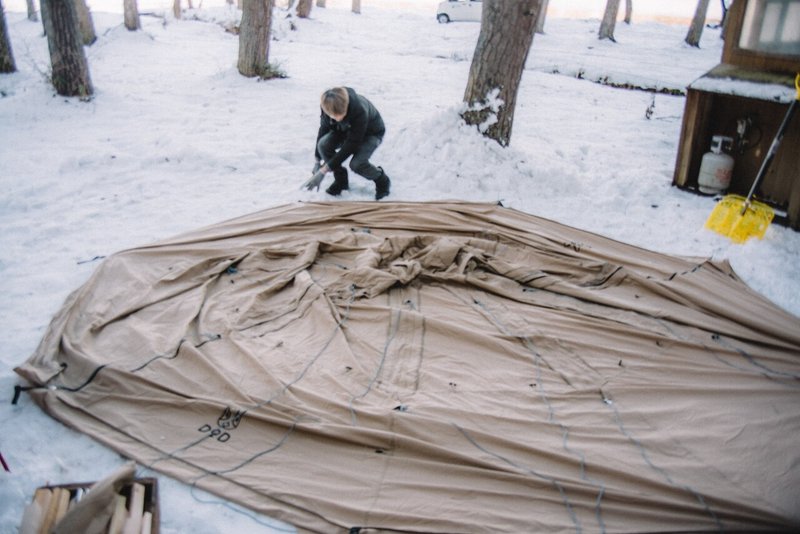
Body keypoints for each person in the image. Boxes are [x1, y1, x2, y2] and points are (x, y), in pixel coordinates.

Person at [306, 87, 391, 200]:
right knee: (323, 145)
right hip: (344, 129)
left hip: (371, 133)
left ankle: (382, 180)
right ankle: (341, 180)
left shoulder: (360, 110)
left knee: (357, 164)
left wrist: (324, 170)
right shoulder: (327, 105)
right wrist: (317, 160)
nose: (337, 118)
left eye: (340, 114)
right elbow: (324, 128)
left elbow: (351, 145)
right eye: (333, 116)